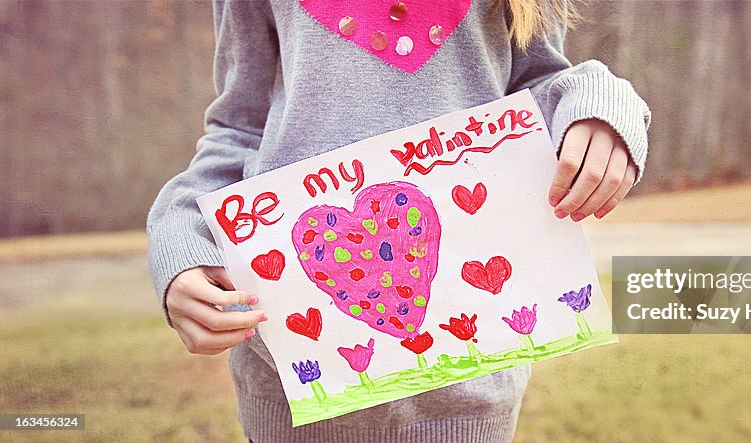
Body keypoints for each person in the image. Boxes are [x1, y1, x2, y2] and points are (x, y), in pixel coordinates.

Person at [147, 0, 650, 440]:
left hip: (472, 385)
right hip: (291, 384)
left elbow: (539, 87)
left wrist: (599, 104)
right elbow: (238, 128)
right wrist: (179, 242)